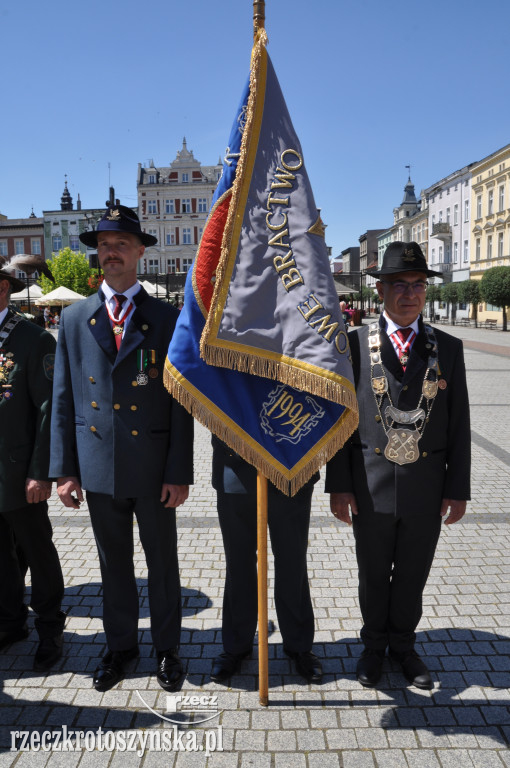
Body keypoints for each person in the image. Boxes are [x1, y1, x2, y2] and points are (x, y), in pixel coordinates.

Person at [50, 206, 194, 692]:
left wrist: (179, 472)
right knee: (113, 567)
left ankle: (168, 649)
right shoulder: (73, 318)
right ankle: (120, 647)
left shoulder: (167, 317)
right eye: (104, 244)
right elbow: (64, 399)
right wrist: (65, 470)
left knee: (162, 565)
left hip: (153, 469)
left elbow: (180, 402)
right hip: (98, 467)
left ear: (140, 253)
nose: (111, 252)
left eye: (121, 244)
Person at [326, 241, 470, 690]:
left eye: (417, 285)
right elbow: (341, 422)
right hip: (369, 486)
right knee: (372, 572)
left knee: (412, 573)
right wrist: (339, 485)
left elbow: (459, 424)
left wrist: (458, 488)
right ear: (381, 290)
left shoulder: (448, 347)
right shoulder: (351, 345)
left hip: (427, 486)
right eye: (399, 285)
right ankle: (372, 649)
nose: (410, 294)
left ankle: (404, 648)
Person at [210, 437, 322, 684]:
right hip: (235, 466)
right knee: (238, 563)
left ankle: (299, 645)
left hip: (292, 461)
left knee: (292, 562)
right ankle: (237, 645)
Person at [0, 259, 65, 671]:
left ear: (4, 290)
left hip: (19, 473)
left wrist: (41, 472)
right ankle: (10, 623)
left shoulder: (33, 339)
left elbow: (48, 410)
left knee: (37, 553)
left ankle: (49, 629)